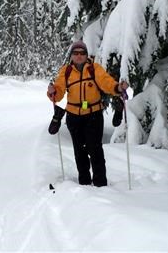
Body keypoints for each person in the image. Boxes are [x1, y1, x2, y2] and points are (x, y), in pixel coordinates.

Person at [47, 41, 128, 187]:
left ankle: (100, 183)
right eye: (75, 53)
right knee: (79, 151)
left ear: (86, 55)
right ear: (71, 56)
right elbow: (58, 93)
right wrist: (53, 92)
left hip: (93, 115)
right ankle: (83, 183)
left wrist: (117, 87)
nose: (79, 56)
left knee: (95, 149)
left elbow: (106, 82)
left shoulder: (94, 69)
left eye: (82, 53)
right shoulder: (66, 71)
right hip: (73, 116)